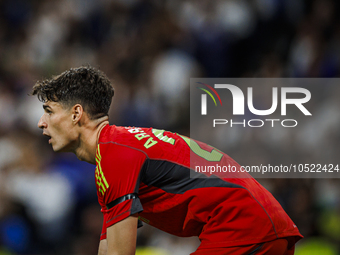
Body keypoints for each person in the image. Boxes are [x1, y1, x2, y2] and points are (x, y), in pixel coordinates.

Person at [32, 66, 302, 255]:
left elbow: (120, 253)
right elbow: (109, 245)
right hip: (261, 226)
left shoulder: (115, 154)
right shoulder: (115, 151)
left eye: (48, 111)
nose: (41, 123)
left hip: (244, 227)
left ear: (76, 114)